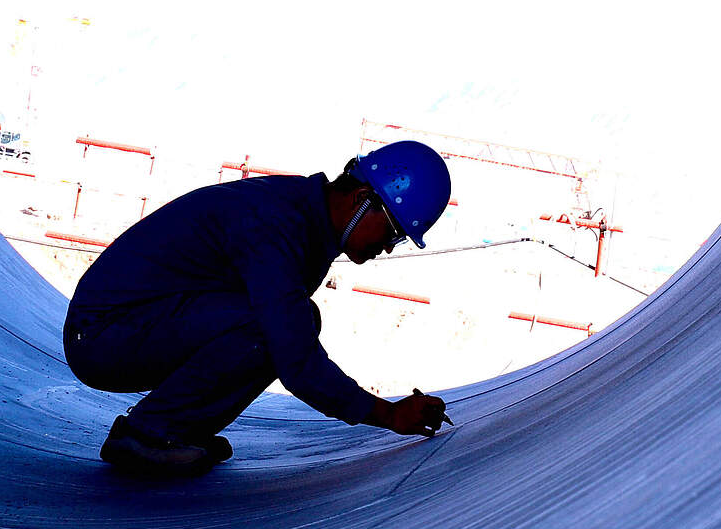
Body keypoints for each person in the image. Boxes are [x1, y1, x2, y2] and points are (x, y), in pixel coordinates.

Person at [63, 140, 455, 475]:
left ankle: (179, 431)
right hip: (102, 335)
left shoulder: (305, 221)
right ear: (361, 200)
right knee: (274, 329)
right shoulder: (277, 225)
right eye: (394, 232)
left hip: (133, 326)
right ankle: (149, 435)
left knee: (291, 321)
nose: (388, 247)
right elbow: (297, 362)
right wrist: (388, 416)